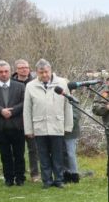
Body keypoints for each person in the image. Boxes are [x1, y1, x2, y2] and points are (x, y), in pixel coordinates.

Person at [23, 59, 73, 189]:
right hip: (39, 127)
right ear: (37, 72)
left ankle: (59, 179)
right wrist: (28, 129)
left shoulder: (62, 83)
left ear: (50, 71)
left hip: (57, 125)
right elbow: (27, 109)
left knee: (58, 155)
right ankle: (47, 180)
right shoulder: (30, 86)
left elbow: (68, 106)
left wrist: (68, 126)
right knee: (43, 156)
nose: (44, 75)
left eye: (46, 72)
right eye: (41, 72)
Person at [0, 60, 27, 186]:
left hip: (17, 126)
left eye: (6, 71)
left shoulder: (20, 86)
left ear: (10, 71)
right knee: (5, 155)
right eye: (0, 72)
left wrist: (12, 112)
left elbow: (25, 103)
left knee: (19, 154)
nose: (3, 74)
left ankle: (20, 178)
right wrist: (1, 110)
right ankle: (8, 179)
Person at [12, 59, 40, 182]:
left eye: (26, 67)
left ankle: (35, 174)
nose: (24, 69)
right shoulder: (11, 83)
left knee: (34, 149)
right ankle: (19, 173)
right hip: (16, 121)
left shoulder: (35, 82)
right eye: (21, 67)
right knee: (18, 150)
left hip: (32, 120)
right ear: (16, 70)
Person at [63, 87, 81, 184]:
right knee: (62, 153)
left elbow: (76, 116)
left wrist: (67, 126)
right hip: (60, 131)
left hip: (71, 131)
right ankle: (65, 173)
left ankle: (74, 173)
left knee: (70, 153)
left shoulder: (73, 100)